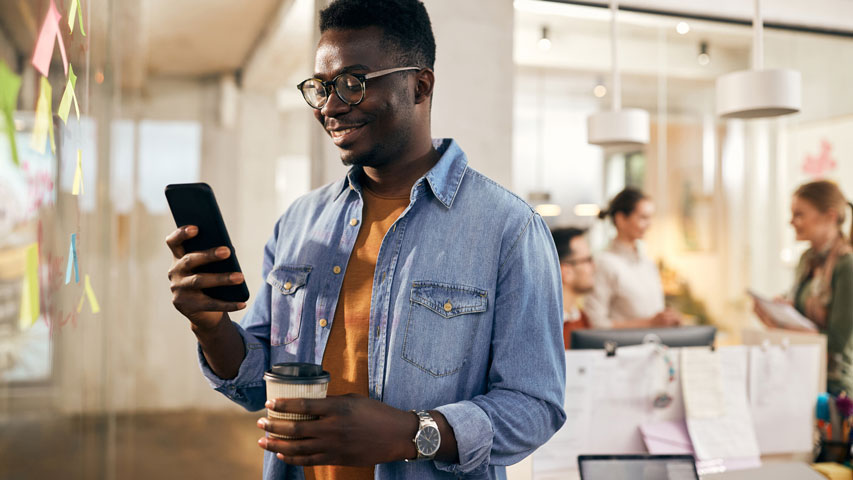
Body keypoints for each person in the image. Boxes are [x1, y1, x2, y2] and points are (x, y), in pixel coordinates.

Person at [164, 1, 566, 479]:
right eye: (320, 87)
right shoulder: (299, 221)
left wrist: (412, 433)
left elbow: (536, 405)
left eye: (353, 84)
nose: (330, 107)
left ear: (420, 85)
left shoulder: (508, 229)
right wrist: (211, 326)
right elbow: (257, 386)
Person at [754, 180, 853, 395]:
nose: (792, 222)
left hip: (835, 388)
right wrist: (781, 309)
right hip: (803, 373)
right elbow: (802, 311)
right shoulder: (807, 259)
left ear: (830, 216)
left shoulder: (847, 265)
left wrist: (792, 326)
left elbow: (837, 342)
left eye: (799, 214)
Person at [584, 187, 681, 329]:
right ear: (621, 219)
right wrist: (648, 323)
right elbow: (595, 323)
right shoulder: (603, 263)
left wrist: (670, 320)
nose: (649, 225)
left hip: (654, 345)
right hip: (624, 349)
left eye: (650, 218)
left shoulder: (648, 263)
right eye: (643, 218)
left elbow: (654, 313)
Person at [551, 227, 595, 349]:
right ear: (565, 271)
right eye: (587, 260)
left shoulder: (582, 318)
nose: (593, 266)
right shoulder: (548, 327)